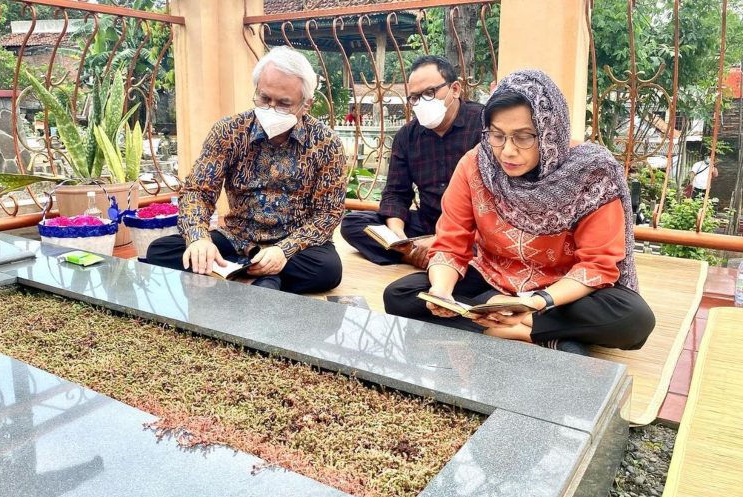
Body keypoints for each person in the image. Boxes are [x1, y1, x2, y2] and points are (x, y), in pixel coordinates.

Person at [383, 69, 655, 356]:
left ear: (551, 131)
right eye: (497, 135)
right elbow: (451, 243)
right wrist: (441, 291)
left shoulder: (590, 173)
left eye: (523, 137)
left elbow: (597, 264)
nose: (507, 151)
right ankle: (542, 336)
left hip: (561, 291)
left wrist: (534, 304)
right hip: (493, 277)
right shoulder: (476, 165)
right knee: (400, 296)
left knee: (634, 319)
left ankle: (508, 326)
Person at [146, 46, 347, 294]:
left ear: (306, 104)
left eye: (284, 104)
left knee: (327, 270)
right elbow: (198, 190)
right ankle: (262, 278)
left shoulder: (326, 143)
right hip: (237, 237)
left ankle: (239, 274)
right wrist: (199, 238)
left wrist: (284, 250)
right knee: (161, 251)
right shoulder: (229, 131)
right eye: (264, 99)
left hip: (296, 246)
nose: (271, 108)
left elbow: (329, 213)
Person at [340, 55, 484, 268]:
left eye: (429, 93)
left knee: (490, 245)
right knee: (353, 223)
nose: (421, 103)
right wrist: (397, 236)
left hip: (473, 229)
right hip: (428, 223)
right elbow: (396, 193)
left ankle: (436, 254)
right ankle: (422, 256)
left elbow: (498, 201)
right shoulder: (408, 135)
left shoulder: (484, 125)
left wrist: (443, 238)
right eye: (414, 98)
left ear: (455, 89)